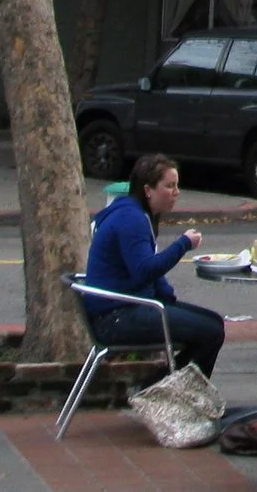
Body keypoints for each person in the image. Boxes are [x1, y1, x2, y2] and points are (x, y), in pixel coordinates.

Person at [83, 153, 226, 377]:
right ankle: (170, 394)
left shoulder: (138, 214)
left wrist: (167, 297)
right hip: (115, 317)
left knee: (214, 323)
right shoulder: (131, 219)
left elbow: (147, 269)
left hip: (130, 306)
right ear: (148, 190)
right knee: (210, 332)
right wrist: (183, 244)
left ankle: (162, 388)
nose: (176, 192)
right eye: (169, 186)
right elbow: (144, 270)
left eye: (177, 185)